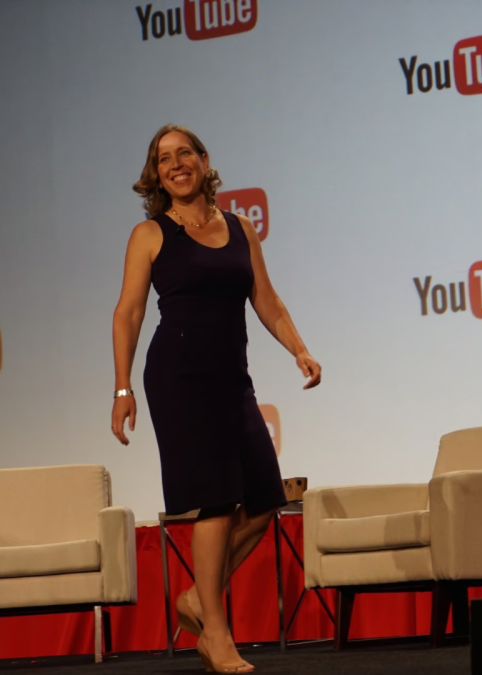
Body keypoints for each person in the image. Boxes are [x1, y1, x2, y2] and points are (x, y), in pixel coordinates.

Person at [110, 124, 321, 673]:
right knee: (214, 502)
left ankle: (197, 600)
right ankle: (217, 634)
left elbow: (266, 299)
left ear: (204, 161)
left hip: (232, 378)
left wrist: (299, 349)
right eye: (163, 160)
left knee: (266, 498)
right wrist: (123, 387)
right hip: (179, 379)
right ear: (156, 175)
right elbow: (128, 312)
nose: (176, 164)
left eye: (184, 154)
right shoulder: (150, 235)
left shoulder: (239, 227)